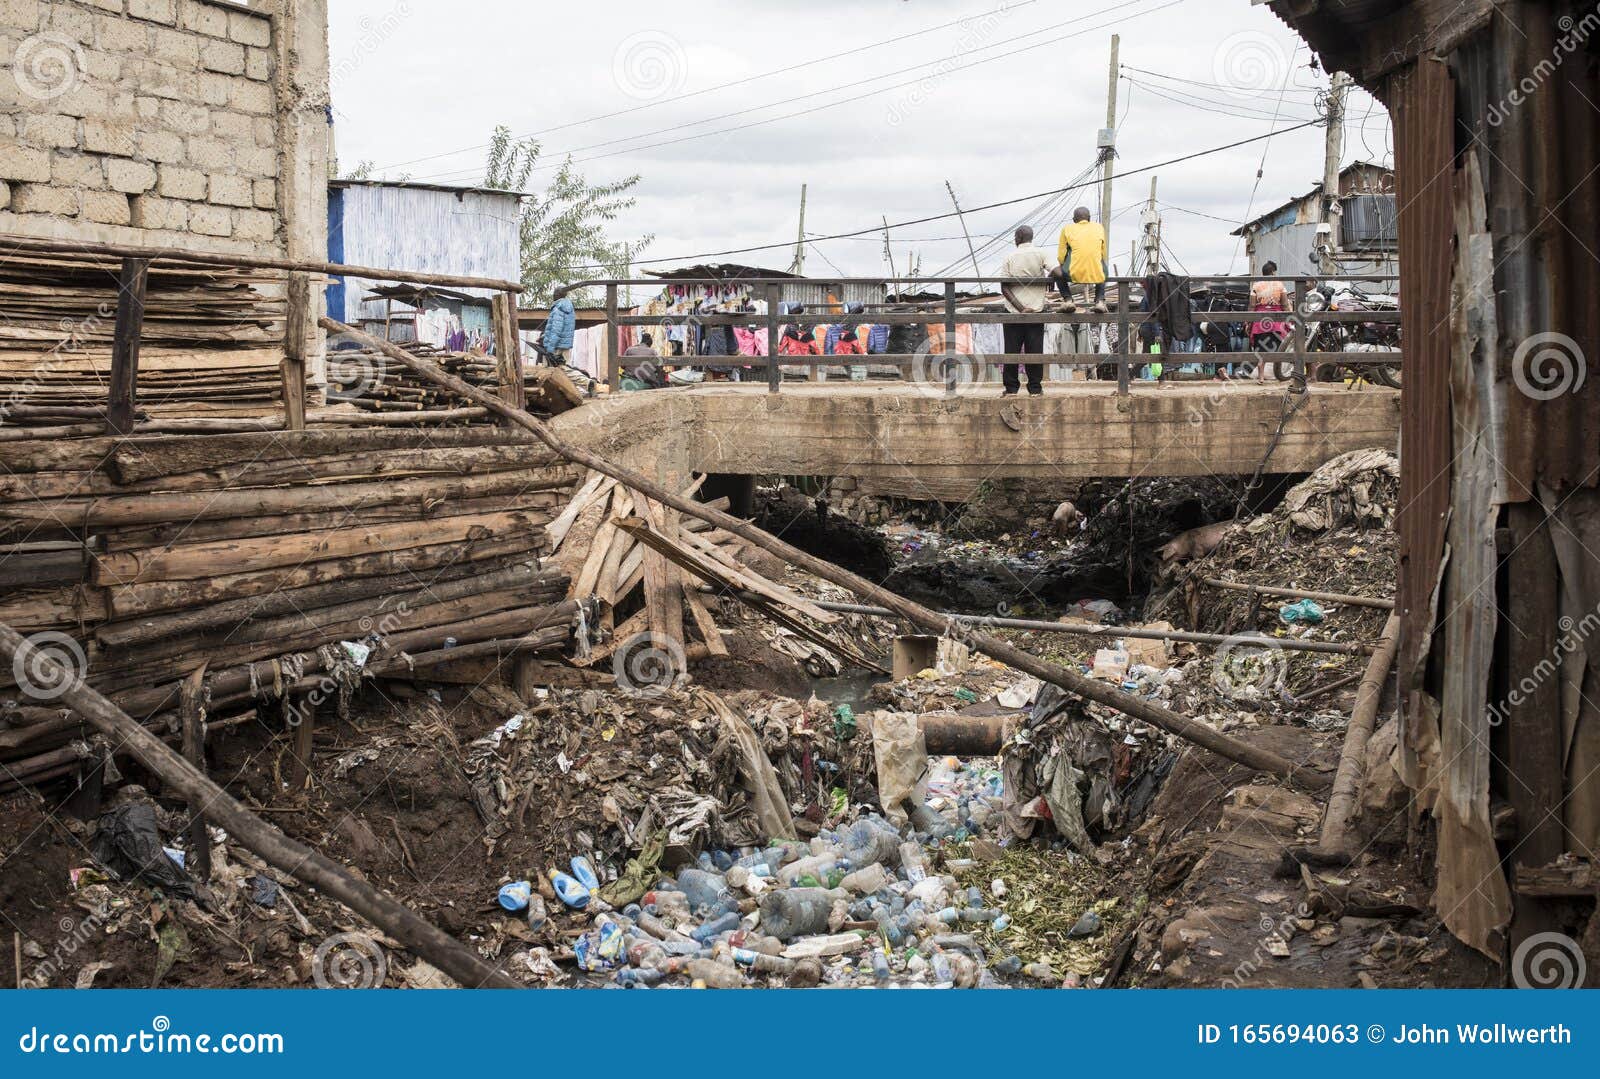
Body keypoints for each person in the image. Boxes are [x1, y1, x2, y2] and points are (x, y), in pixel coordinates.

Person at [996, 225, 1056, 396]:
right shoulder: (1041, 254)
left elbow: (1004, 288)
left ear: (1019, 237)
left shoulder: (1009, 256)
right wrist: (1051, 278)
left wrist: (1021, 308)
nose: (1014, 239)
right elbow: (1057, 271)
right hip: (1036, 311)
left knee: (1011, 350)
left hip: (1014, 312)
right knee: (1035, 350)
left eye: (1015, 236)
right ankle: (1035, 388)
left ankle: (1011, 388)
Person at [1054, 207, 1108, 313]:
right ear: (1089, 218)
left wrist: (1062, 266)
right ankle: (1100, 301)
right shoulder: (1099, 228)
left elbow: (1061, 255)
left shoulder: (1067, 229)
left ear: (1074, 220)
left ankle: (1068, 300)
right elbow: (1103, 253)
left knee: (1056, 273)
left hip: (1073, 273)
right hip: (1096, 272)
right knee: (1103, 271)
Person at [1249, 260, 1291, 379]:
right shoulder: (1280, 285)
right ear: (1272, 272)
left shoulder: (1256, 285)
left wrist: (1248, 321)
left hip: (1259, 320)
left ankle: (1261, 375)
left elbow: (1252, 306)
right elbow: (1285, 305)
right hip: (1276, 321)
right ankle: (1277, 374)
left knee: (1261, 348)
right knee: (1276, 347)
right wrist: (1289, 319)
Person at [542, 285, 576, 364]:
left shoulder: (559, 308)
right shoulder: (569, 307)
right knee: (566, 371)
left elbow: (556, 330)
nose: (553, 295)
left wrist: (550, 348)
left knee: (551, 372)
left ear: (558, 294)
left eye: (554, 292)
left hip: (556, 347)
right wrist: (544, 336)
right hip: (564, 345)